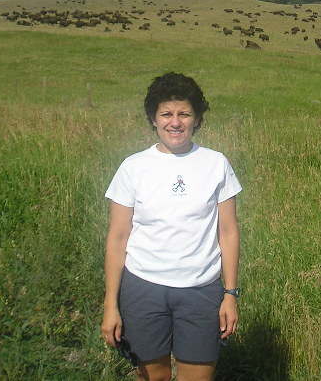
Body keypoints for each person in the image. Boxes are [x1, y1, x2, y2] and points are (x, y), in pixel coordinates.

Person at [101, 72, 242, 381]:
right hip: (143, 289)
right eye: (166, 114)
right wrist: (111, 303)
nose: (175, 122)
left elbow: (228, 232)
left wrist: (230, 294)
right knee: (154, 377)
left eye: (184, 114)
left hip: (201, 290)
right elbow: (118, 238)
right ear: (153, 118)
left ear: (197, 119)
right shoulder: (132, 167)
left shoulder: (216, 164)